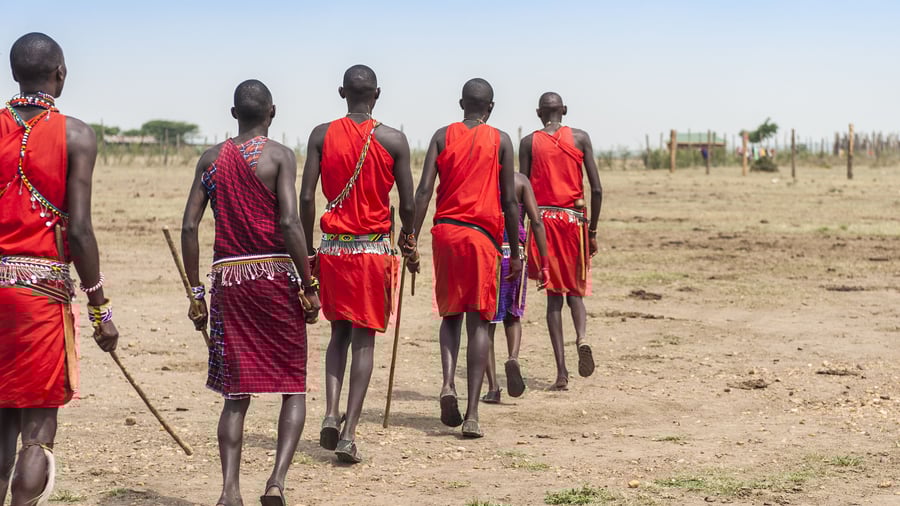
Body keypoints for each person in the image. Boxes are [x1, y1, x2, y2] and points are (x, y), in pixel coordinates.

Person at [181, 79, 320, 506]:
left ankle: (229, 491)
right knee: (292, 385)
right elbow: (291, 224)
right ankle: (276, 481)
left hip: (230, 285)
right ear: (272, 113)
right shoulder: (280, 157)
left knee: (236, 396)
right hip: (276, 278)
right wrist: (308, 283)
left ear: (233, 113)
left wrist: (196, 293)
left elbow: (189, 226)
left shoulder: (210, 160)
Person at [0, 33, 119, 506]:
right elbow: (82, 232)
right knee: (36, 430)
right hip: (40, 300)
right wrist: (99, 309)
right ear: (60, 74)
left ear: (15, 74)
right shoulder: (76, 134)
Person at [300, 65, 416, 464]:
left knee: (338, 336)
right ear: (377, 94)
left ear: (341, 92)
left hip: (332, 250)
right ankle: (348, 433)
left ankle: (331, 413)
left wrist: (309, 254)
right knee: (364, 341)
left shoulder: (320, 135)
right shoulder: (394, 139)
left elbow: (305, 200)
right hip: (372, 252)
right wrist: (409, 238)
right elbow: (409, 203)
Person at [412, 78, 521, 438]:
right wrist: (516, 253)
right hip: (482, 238)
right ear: (490, 108)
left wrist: (409, 234)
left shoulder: (442, 135)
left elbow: (425, 189)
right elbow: (509, 201)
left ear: (462, 103)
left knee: (450, 315)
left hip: (445, 233)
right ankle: (472, 413)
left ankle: (447, 384)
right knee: (479, 322)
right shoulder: (501, 140)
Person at [520, 92, 603, 391]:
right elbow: (596, 188)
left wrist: (520, 229)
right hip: (574, 221)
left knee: (554, 299)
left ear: (538, 112)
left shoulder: (528, 142)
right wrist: (591, 231)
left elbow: (522, 187)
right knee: (575, 293)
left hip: (544, 223)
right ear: (564, 110)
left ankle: (561, 373)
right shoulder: (580, 138)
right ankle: (581, 337)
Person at [481, 173, 549, 403]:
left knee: (487, 323)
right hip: (516, 254)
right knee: (513, 316)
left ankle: (492, 388)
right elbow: (536, 221)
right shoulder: (520, 181)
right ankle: (512, 357)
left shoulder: (482, 178)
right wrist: (545, 263)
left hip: (489, 253)